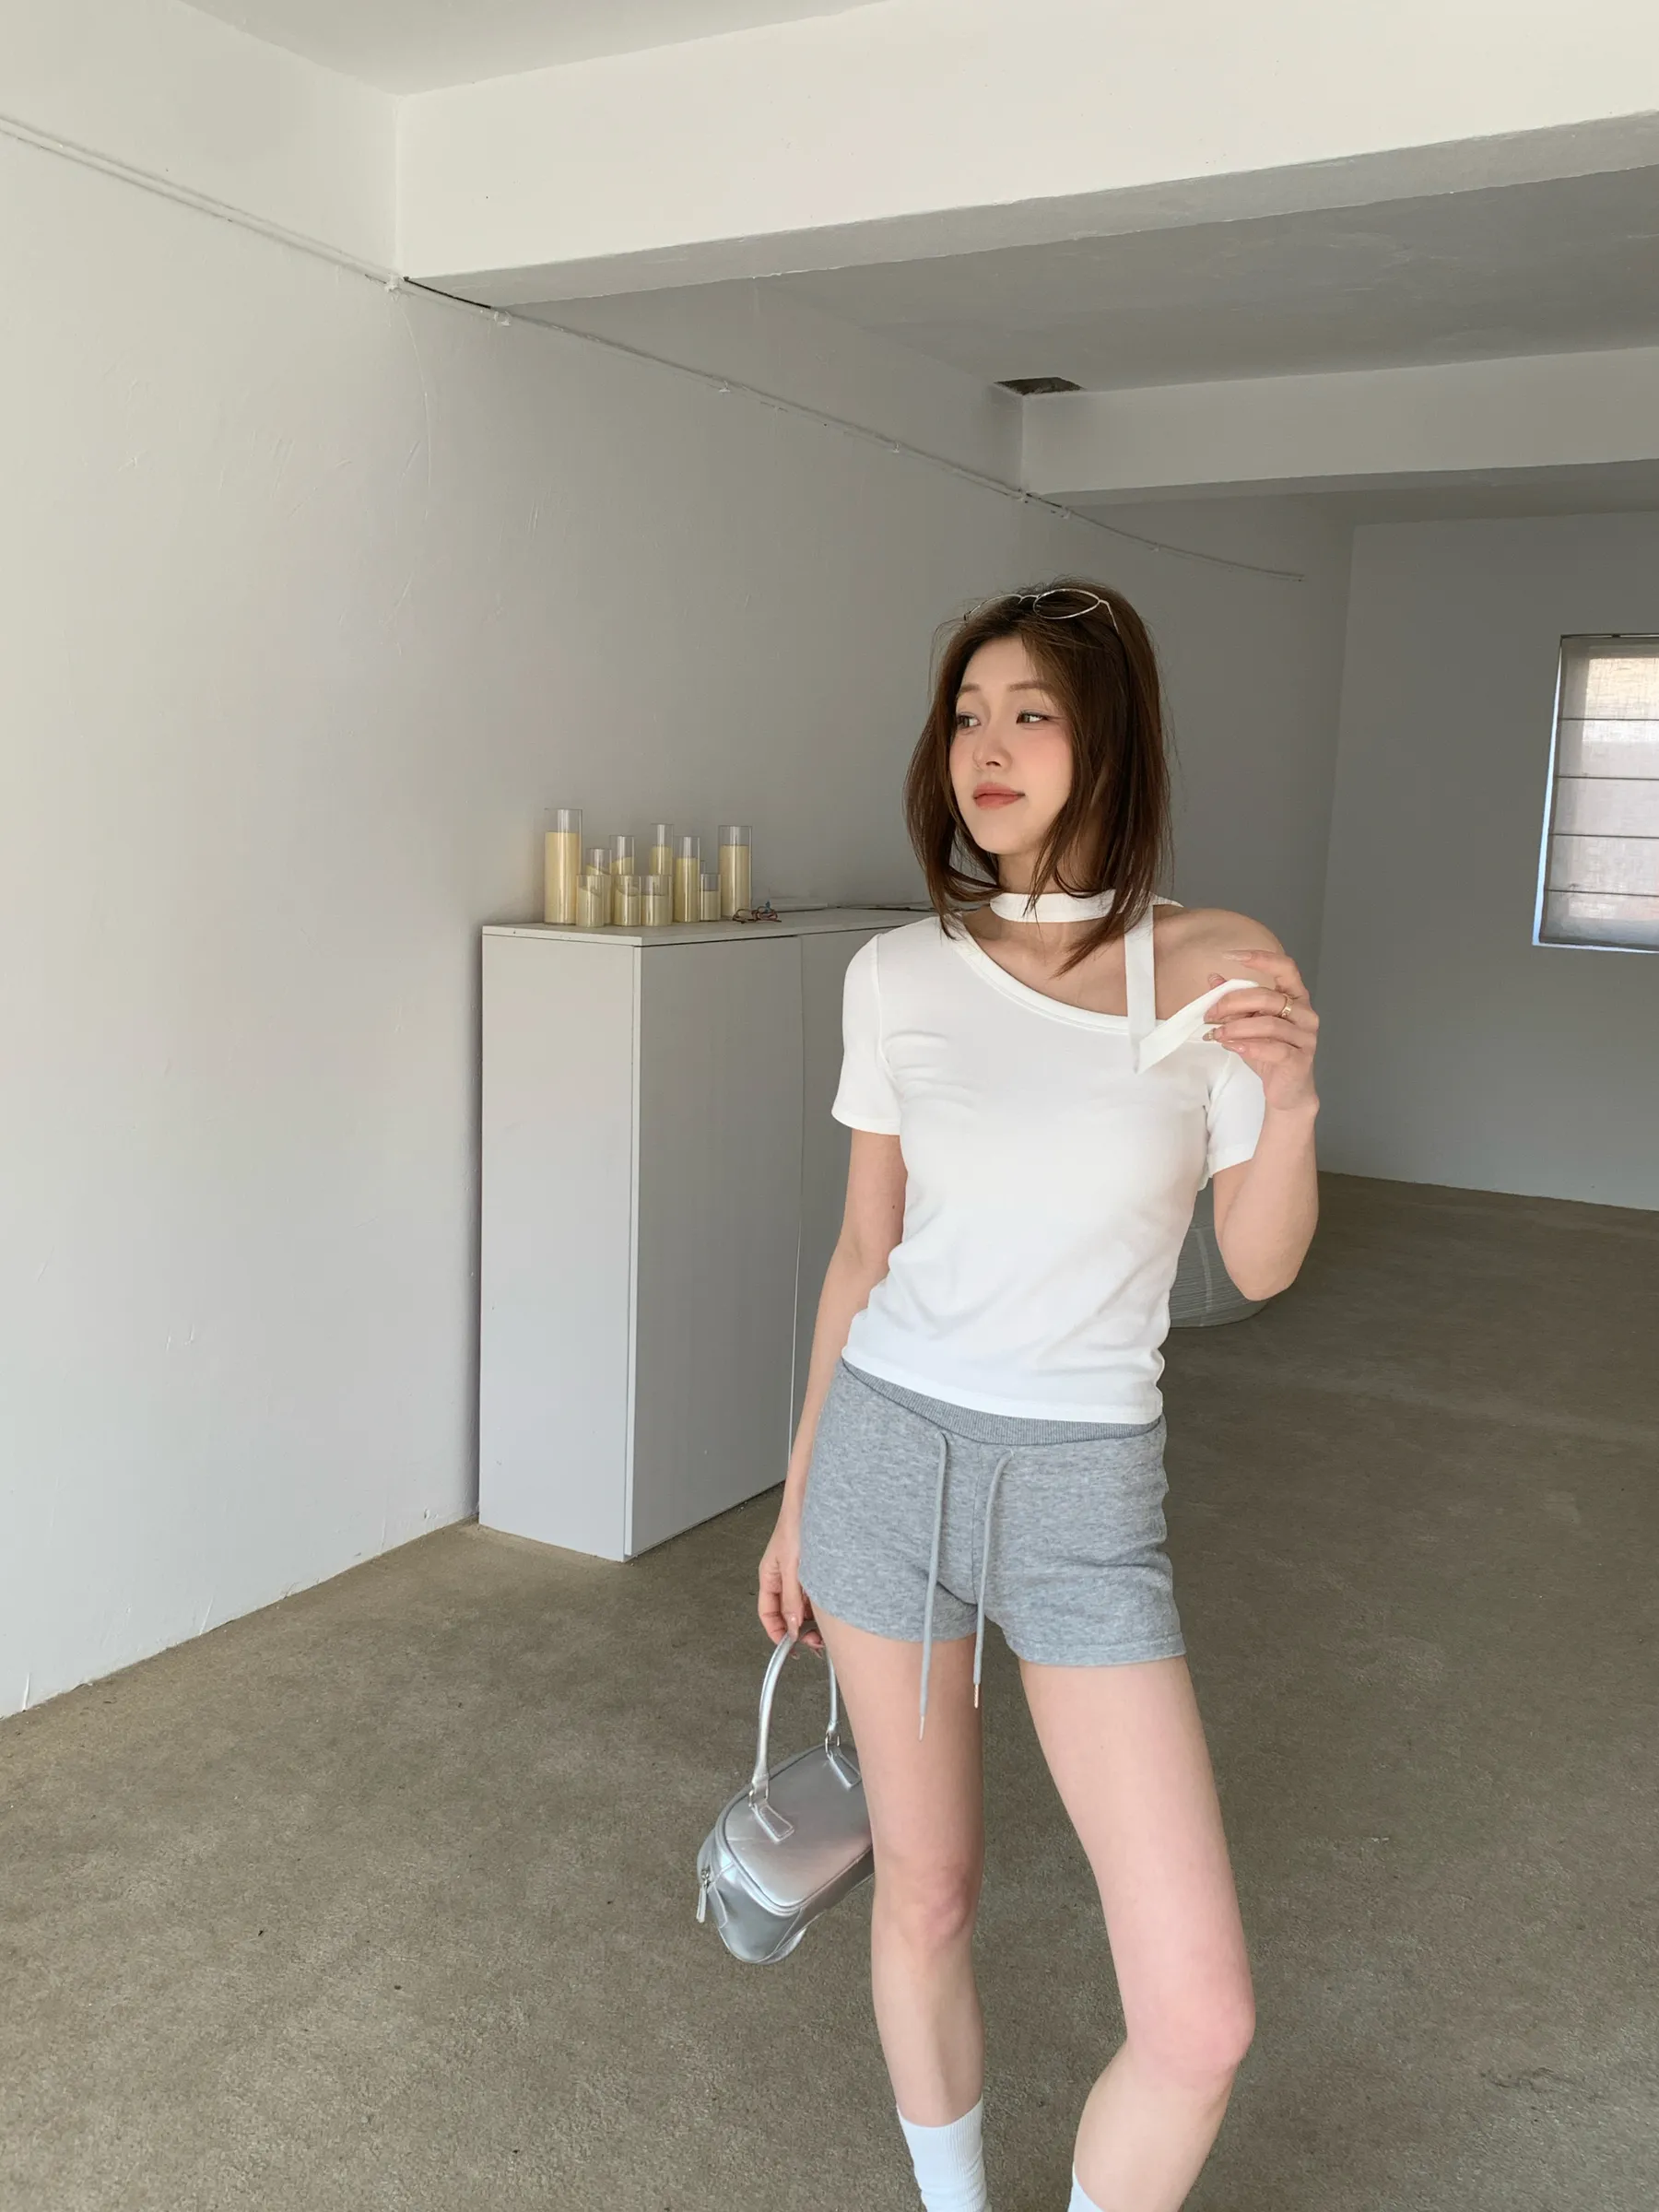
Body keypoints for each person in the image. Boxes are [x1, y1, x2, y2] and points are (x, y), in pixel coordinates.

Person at [757, 580, 1321, 2212]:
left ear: (1109, 742)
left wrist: (1288, 1105)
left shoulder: (1218, 968)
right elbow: (862, 1256)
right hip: (886, 1463)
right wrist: (798, 1502)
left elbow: (1260, 1263)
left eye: (1032, 713)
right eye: (965, 714)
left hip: (1083, 1493)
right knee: (925, 1894)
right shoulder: (897, 975)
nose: (985, 747)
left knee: (1201, 2018)